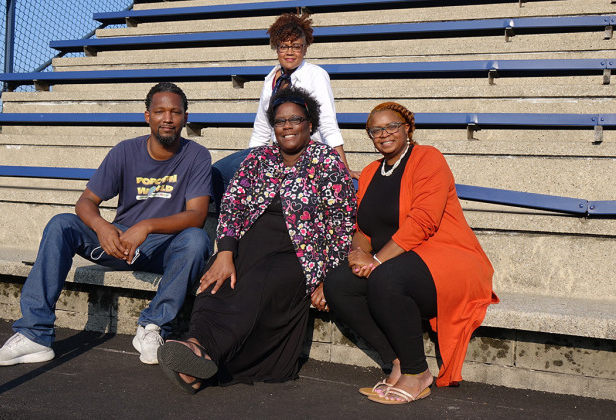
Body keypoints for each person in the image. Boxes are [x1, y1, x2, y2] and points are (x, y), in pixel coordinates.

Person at [0, 82, 213, 366]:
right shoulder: (125, 151)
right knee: (61, 224)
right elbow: (86, 202)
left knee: (196, 240)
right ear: (147, 116)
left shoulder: (197, 155)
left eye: (175, 112)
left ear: (185, 118)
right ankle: (34, 335)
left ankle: (152, 328)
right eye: (160, 111)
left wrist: (147, 226)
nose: (167, 118)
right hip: (116, 243)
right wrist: (102, 227)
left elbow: (196, 215)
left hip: (161, 248)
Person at [157, 86, 356, 394]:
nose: (287, 126)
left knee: (256, 288)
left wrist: (326, 279)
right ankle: (195, 343)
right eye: (280, 121)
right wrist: (225, 253)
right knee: (216, 280)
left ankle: (204, 361)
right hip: (250, 243)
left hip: (299, 254)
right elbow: (233, 204)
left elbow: (342, 226)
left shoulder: (327, 163)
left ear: (310, 124)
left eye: (295, 119)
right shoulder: (258, 159)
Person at [324, 102, 498, 405]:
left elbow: (423, 221)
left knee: (385, 278)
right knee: (339, 284)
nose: (383, 134)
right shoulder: (368, 172)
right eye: (375, 130)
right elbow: (363, 228)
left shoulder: (428, 158)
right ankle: (398, 363)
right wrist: (357, 254)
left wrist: (376, 260)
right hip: (401, 260)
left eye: (391, 126)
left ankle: (419, 373)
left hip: (447, 258)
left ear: (408, 128)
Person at [211, 13, 357, 206]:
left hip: (305, 150)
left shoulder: (315, 75)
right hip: (276, 149)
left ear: (305, 49)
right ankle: (236, 221)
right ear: (276, 48)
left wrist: (342, 167)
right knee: (218, 171)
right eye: (284, 46)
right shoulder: (271, 78)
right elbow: (262, 127)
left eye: (296, 46)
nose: (290, 52)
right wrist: (252, 162)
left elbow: (328, 124)